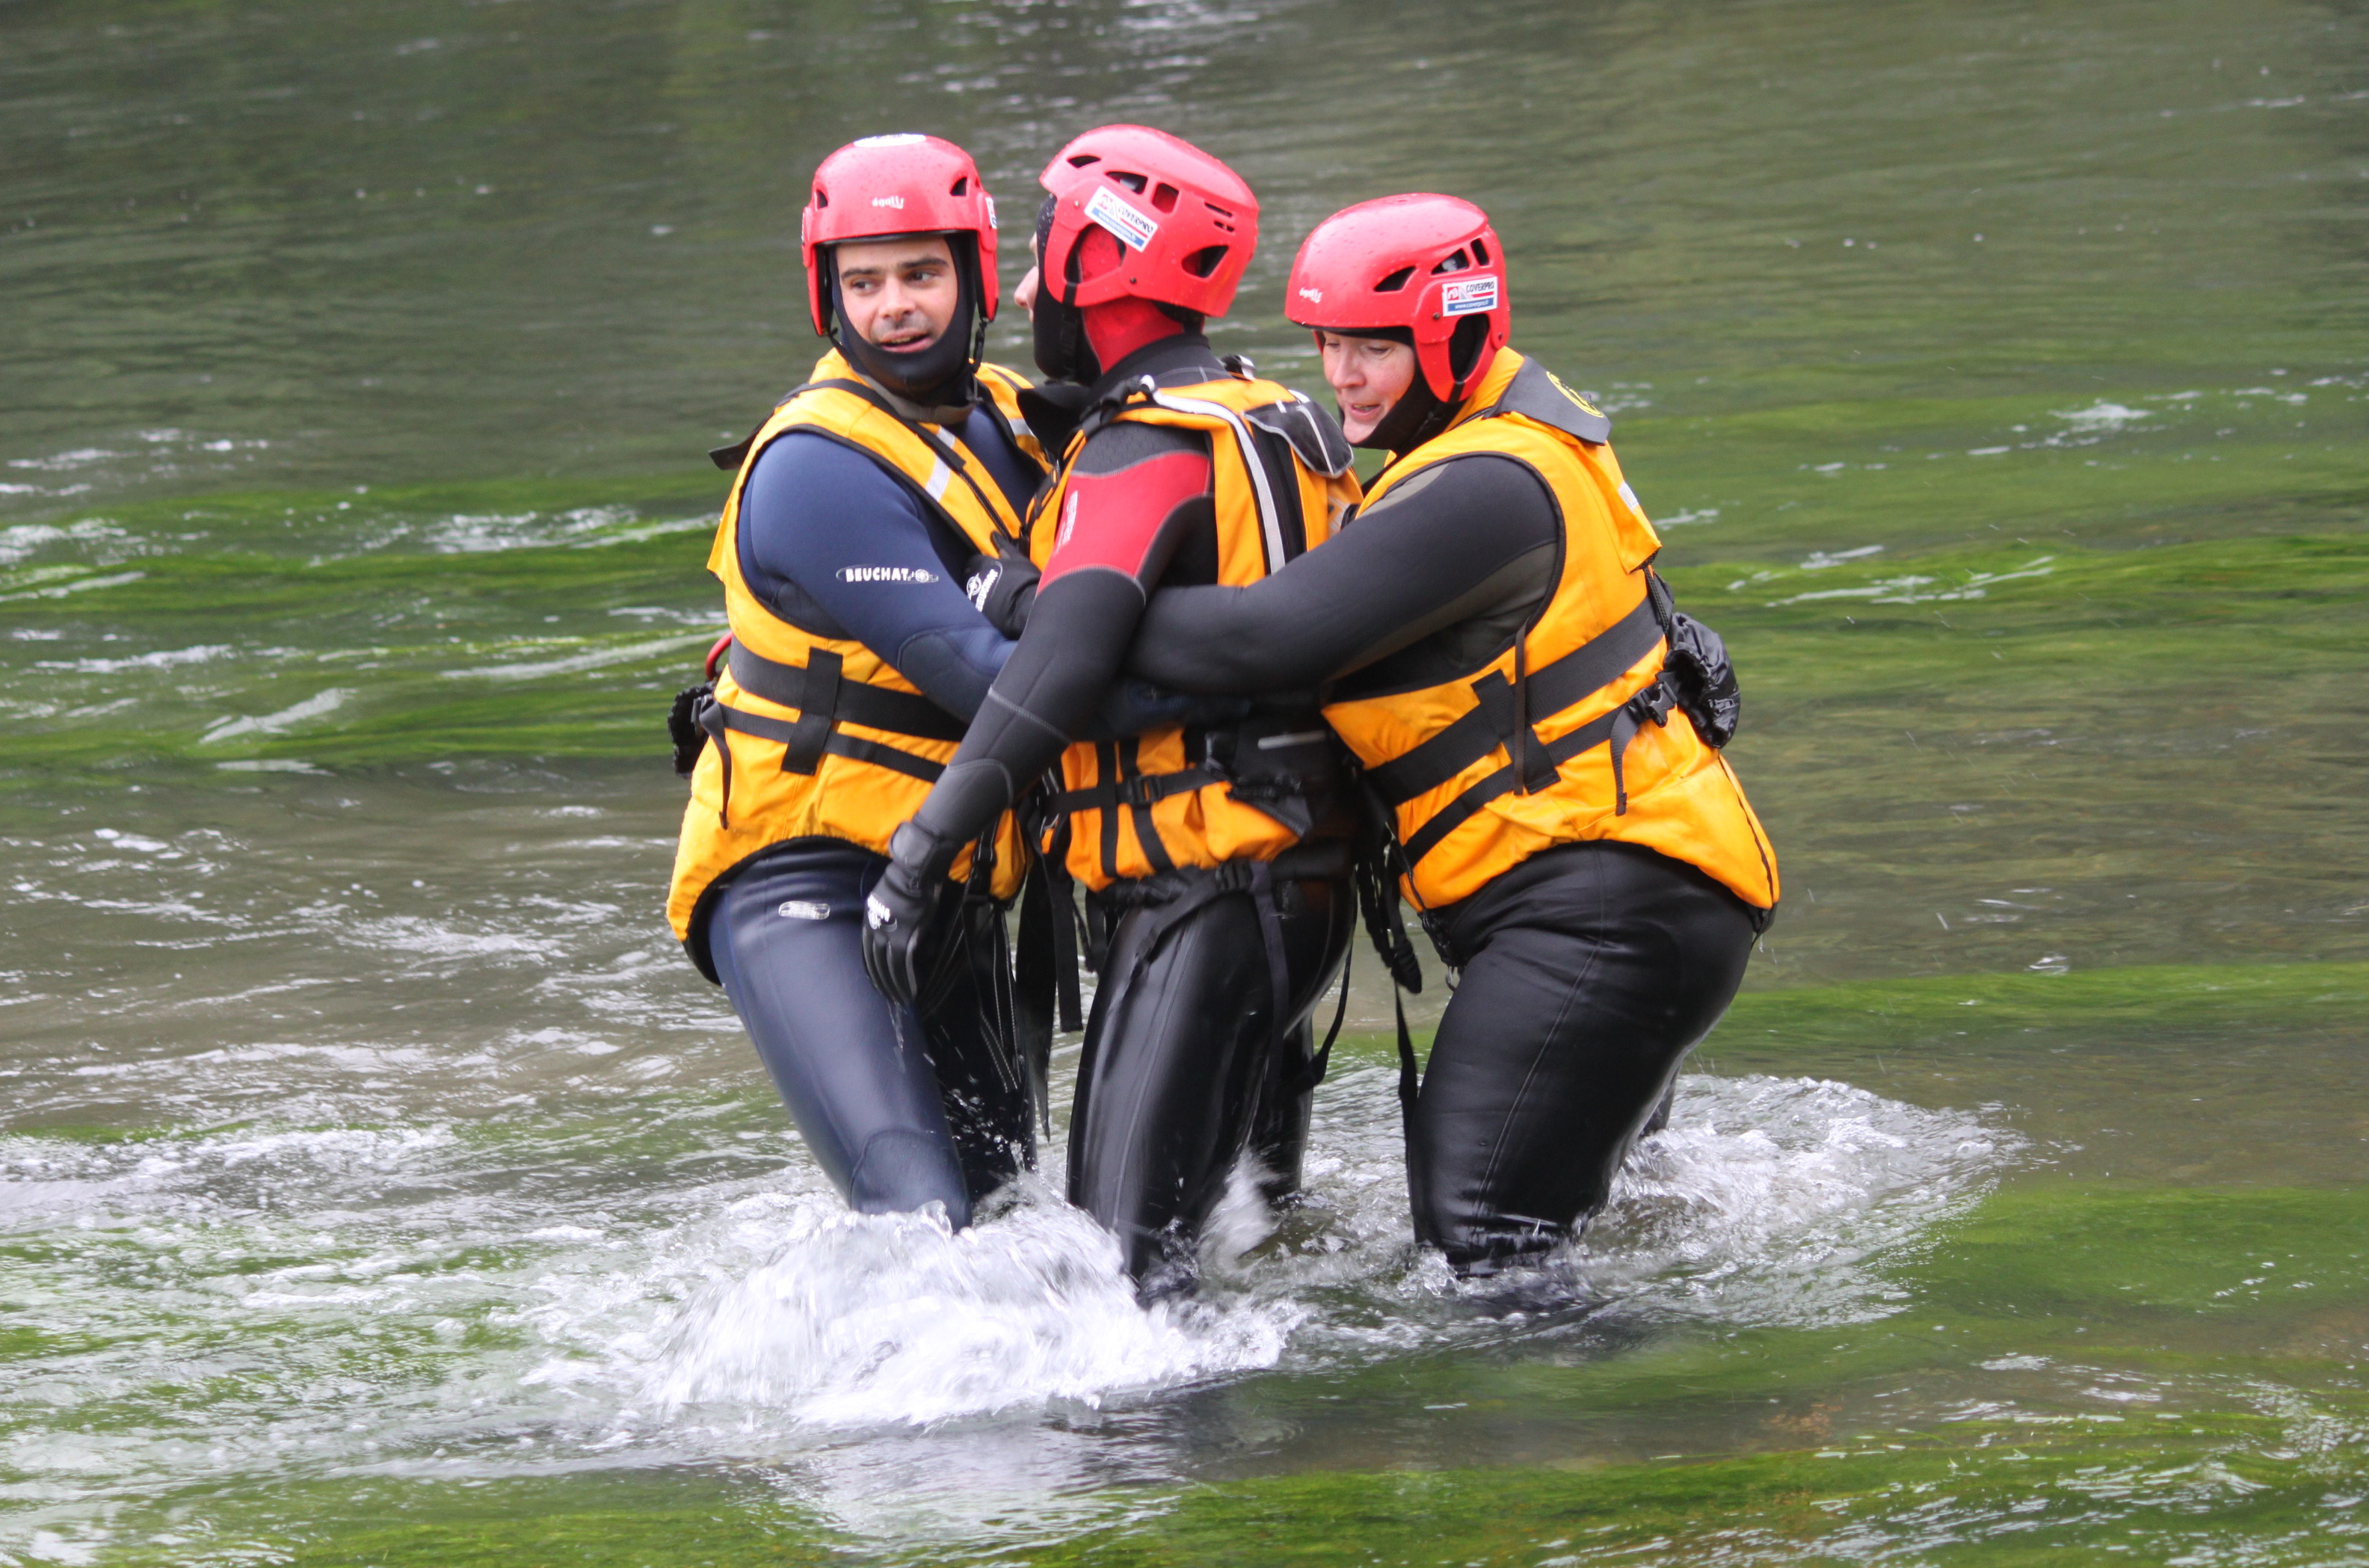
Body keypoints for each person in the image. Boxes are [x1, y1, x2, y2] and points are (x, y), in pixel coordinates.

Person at [1109, 193, 1781, 1274]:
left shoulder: (1482, 485)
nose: (1342, 377)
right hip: (1639, 906)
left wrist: (1045, 608)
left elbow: (1264, 640)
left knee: (1482, 1246)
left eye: (1375, 347)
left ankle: (1654, 1430)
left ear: (1457, 332)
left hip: (1600, 924)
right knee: (1547, 1246)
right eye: (1327, 344)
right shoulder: (1522, 434)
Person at [863, 125, 1364, 1296]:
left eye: (1048, 261)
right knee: (1242, 1245)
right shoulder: (1284, 419)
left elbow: (1055, 673)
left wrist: (919, 855)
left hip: (1207, 896)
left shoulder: (1141, 451)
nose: (1031, 288)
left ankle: (1152, 1474)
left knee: (1120, 1280)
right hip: (1301, 890)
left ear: (1102, 274)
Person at [663, 132, 1060, 1230]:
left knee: (1013, 1221)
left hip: (949, 879)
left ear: (977, 274)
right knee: (918, 1214)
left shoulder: (1012, 417)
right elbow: (992, 686)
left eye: (922, 274)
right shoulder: (814, 471)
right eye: (864, 282)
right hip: (805, 881)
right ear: (826, 295)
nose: (895, 307)